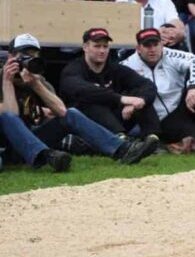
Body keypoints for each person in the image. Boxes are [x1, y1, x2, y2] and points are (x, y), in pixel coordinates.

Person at [3, 34, 158, 168]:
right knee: (7, 117)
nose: (28, 60)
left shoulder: (37, 80)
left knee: (71, 113)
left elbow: (61, 111)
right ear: (10, 56)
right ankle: (48, 156)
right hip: (10, 145)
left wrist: (36, 85)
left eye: (33, 55)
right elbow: (11, 118)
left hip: (35, 138)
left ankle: (123, 149)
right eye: (23, 55)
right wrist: (7, 82)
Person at [122, 28, 195, 154]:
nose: (152, 49)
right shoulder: (127, 65)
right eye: (147, 46)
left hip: (183, 107)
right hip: (160, 120)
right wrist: (127, 101)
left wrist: (193, 88)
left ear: (161, 44)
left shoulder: (170, 55)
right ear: (138, 48)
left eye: (155, 44)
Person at [59, 28, 161, 138]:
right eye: (97, 46)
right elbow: (83, 91)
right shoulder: (73, 69)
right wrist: (121, 99)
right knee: (92, 103)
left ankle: (153, 139)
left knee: (141, 102)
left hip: (115, 119)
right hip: (83, 124)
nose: (102, 51)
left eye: (105, 46)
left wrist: (139, 101)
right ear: (85, 47)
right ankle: (120, 140)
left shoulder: (115, 68)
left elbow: (148, 85)